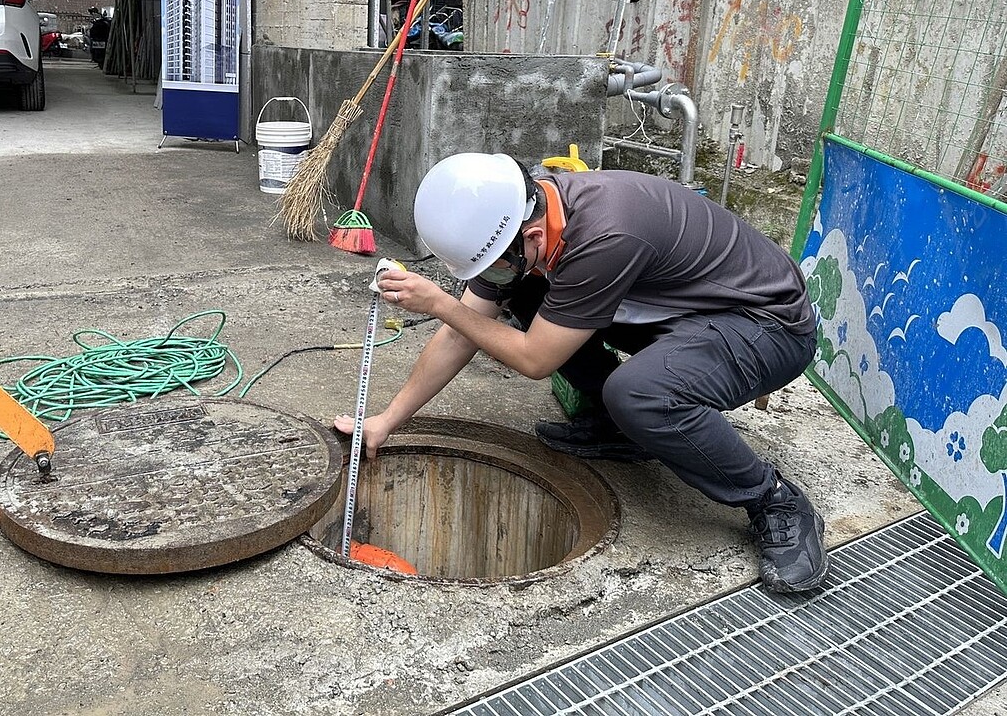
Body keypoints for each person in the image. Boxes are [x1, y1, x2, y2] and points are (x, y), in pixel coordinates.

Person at [335, 152, 827, 594]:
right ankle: (624, 429)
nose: (495, 274)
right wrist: (385, 420)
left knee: (640, 392)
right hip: (681, 310)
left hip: (766, 324)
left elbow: (535, 359)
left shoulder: (605, 235)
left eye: (497, 266)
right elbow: (463, 333)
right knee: (527, 293)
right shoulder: (518, 217)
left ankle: (774, 501)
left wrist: (440, 303)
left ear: (529, 235)